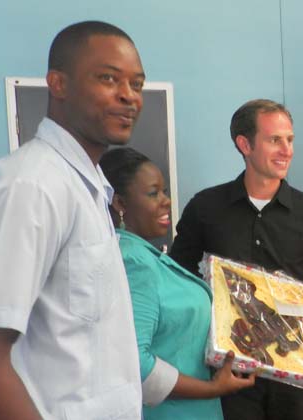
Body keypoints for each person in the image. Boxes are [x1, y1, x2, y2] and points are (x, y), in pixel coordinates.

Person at [0, 21, 146, 419]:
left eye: (137, 84)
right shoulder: (30, 186)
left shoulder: (88, 189)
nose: (129, 96)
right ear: (58, 83)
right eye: (108, 78)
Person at [170, 99, 303, 420]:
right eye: (274, 140)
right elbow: (178, 276)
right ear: (244, 144)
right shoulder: (206, 208)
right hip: (230, 370)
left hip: (298, 368)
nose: (286, 150)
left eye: (290, 140)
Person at [99, 148, 255, 420]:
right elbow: (136, 365)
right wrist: (211, 389)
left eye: (165, 191)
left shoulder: (148, 256)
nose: (166, 201)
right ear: (121, 204)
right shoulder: (134, 264)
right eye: (153, 193)